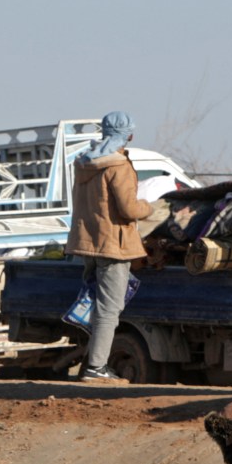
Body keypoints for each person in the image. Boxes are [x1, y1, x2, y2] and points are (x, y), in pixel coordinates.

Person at [64, 111, 151, 383]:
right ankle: (97, 368)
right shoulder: (119, 166)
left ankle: (94, 362)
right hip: (113, 246)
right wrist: (149, 207)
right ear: (129, 135)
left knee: (96, 305)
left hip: (88, 244)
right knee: (109, 308)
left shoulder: (84, 163)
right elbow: (128, 209)